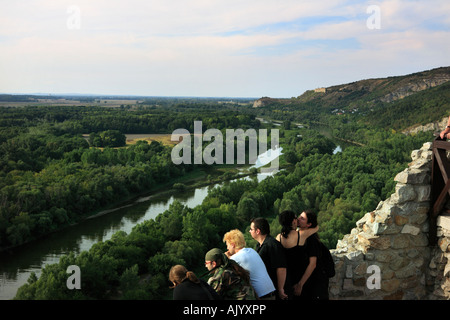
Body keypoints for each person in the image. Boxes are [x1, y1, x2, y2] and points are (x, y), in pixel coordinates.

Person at [275, 210, 320, 300]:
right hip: (300, 277)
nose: (298, 219)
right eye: (296, 218)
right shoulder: (301, 235)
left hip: (285, 279)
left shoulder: (278, 237)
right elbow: (316, 228)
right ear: (293, 221)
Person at [223, 229, 276, 300]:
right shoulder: (251, 250)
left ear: (233, 245)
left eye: (228, 245)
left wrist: (225, 258)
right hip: (271, 292)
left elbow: (224, 270)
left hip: (261, 296)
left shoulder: (235, 258)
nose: (227, 248)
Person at [249, 217, 288, 300]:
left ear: (258, 231)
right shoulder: (259, 245)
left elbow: (281, 268)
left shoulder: (273, 245)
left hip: (275, 290)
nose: (249, 231)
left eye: (251, 229)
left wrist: (280, 289)